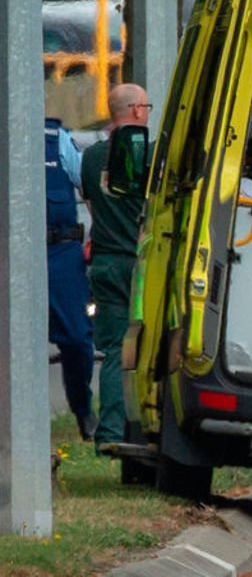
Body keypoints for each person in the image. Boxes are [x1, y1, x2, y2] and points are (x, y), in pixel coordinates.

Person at [81, 83, 151, 453]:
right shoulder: (148, 155)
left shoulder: (91, 157)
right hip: (139, 264)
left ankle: (109, 434)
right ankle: (142, 428)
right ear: (136, 110)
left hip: (105, 263)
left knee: (112, 350)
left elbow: (92, 205)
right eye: (147, 107)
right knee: (146, 348)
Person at [45, 117, 97, 441]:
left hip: (59, 251)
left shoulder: (56, 138)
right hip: (9, 251)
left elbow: (87, 187)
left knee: (77, 337)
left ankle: (83, 409)